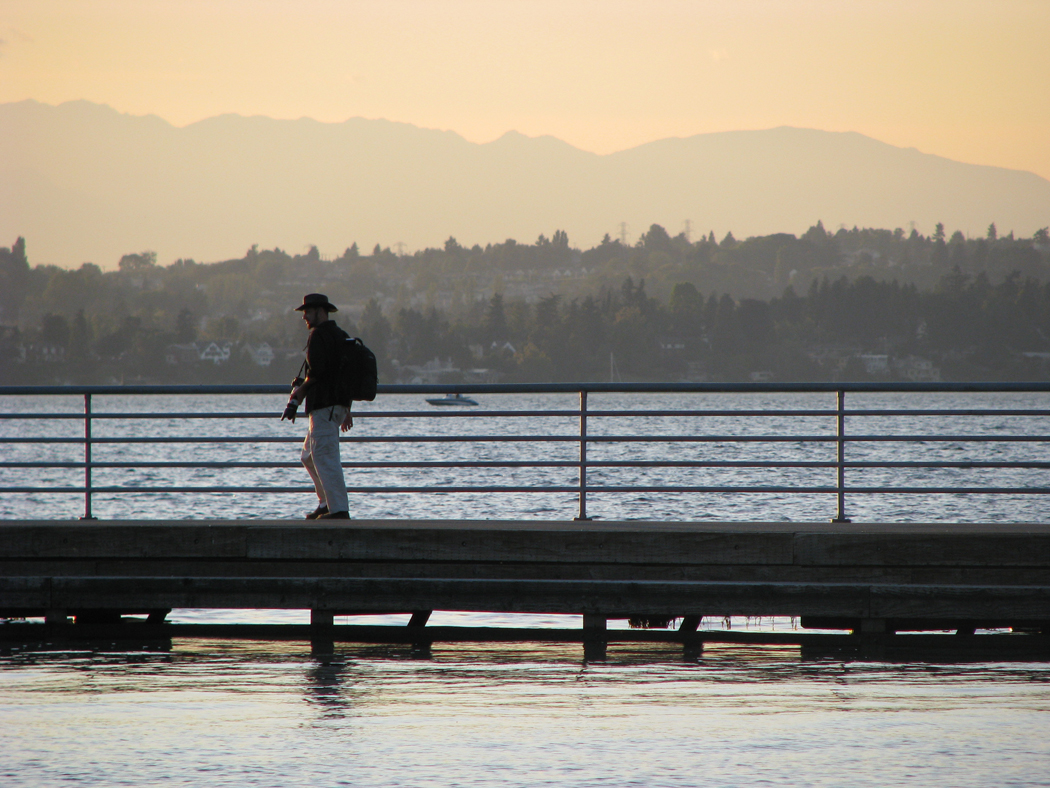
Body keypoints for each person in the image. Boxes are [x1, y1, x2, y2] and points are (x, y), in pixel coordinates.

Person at [282, 293, 354, 520]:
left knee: (325, 456)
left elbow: (319, 374)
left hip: (324, 406)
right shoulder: (340, 336)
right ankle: (325, 503)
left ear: (321, 311)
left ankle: (339, 510)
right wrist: (347, 408)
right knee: (309, 456)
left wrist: (300, 392)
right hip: (335, 406)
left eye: (308, 311)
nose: (304, 316)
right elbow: (342, 375)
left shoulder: (319, 336)